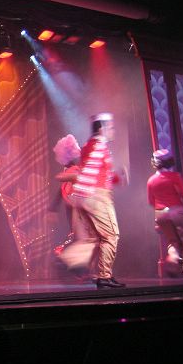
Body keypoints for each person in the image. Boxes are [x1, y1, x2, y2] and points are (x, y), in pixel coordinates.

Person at [59, 113, 126, 289]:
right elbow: (89, 172)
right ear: (102, 128)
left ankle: (94, 270)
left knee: (96, 238)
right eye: (111, 127)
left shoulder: (89, 146)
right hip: (96, 197)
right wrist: (88, 193)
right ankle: (102, 275)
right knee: (111, 236)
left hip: (87, 196)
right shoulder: (99, 146)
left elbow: (96, 172)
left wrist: (116, 179)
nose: (113, 130)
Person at [52, 134, 97, 280]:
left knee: (87, 240)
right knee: (90, 240)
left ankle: (84, 271)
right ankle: (69, 260)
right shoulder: (74, 171)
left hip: (75, 209)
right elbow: (67, 192)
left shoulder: (71, 170)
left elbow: (64, 191)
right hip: (80, 209)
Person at [147, 149, 183, 281]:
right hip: (177, 211)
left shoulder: (151, 181)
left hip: (160, 214)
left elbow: (151, 201)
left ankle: (174, 259)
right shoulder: (174, 177)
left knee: (173, 243)